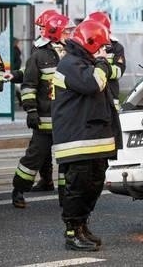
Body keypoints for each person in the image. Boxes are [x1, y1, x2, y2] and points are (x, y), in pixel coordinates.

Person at [51, 19, 121, 251]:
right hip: (77, 139)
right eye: (101, 46)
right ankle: (72, 232)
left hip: (93, 138)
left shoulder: (83, 62)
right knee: (78, 187)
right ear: (91, 43)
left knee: (94, 184)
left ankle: (81, 225)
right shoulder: (70, 64)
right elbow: (92, 84)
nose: (103, 51)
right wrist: (102, 63)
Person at [11, 14, 70, 208]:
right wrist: (31, 111)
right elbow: (29, 86)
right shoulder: (39, 56)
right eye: (67, 30)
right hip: (44, 118)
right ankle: (18, 190)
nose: (70, 33)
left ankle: (65, 194)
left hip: (66, 119)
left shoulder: (71, 53)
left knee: (66, 159)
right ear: (56, 33)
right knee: (35, 156)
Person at [86, 11, 126, 111]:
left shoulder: (116, 47)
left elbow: (119, 71)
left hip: (110, 96)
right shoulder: (86, 45)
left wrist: (101, 68)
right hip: (91, 95)